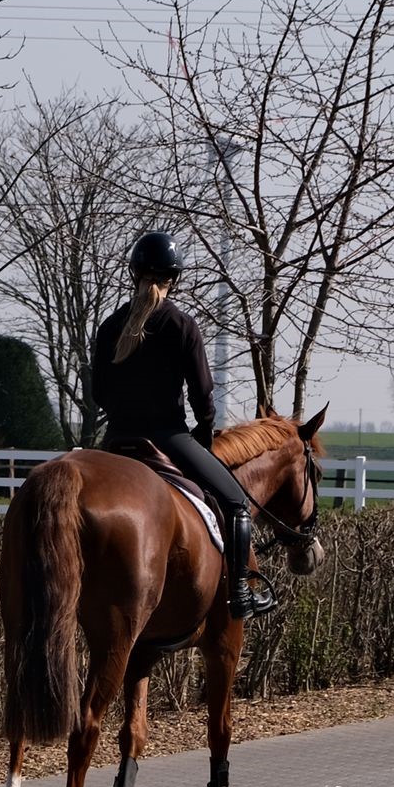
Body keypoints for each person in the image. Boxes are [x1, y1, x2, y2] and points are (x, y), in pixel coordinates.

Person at [90, 229, 270, 620]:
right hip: (168, 438)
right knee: (238, 503)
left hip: (116, 440)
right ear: (175, 278)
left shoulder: (108, 327)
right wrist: (203, 434)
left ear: (133, 274)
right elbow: (203, 396)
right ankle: (239, 592)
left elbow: (98, 396)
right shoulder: (182, 325)